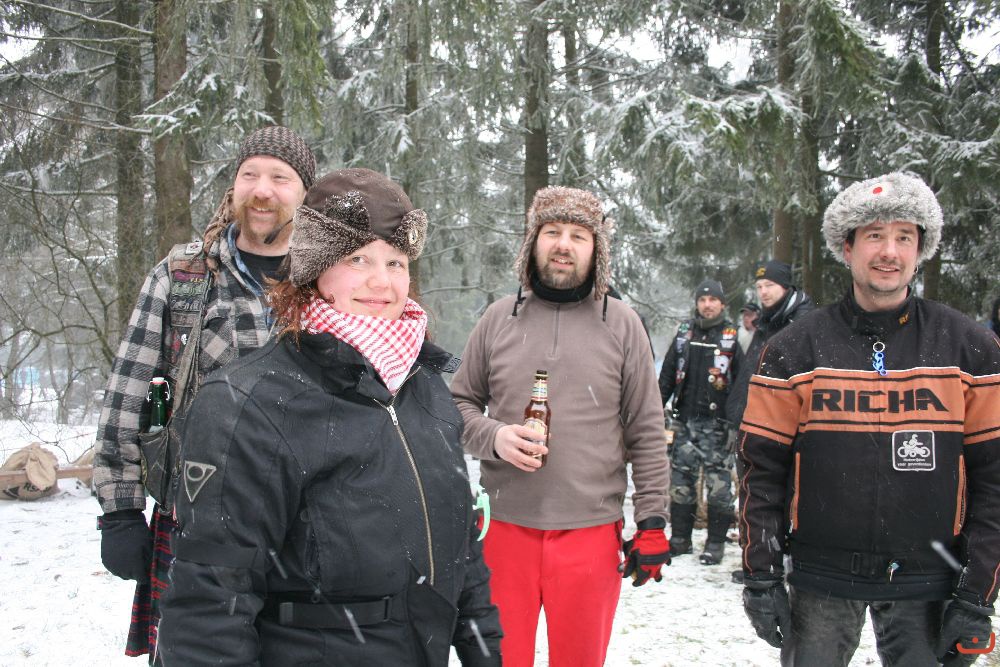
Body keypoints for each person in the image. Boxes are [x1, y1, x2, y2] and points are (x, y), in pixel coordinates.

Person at [157, 168, 502, 665]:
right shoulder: (247, 402)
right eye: (357, 258)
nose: (382, 281)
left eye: (396, 261)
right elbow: (210, 606)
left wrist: (483, 652)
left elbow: (462, 548)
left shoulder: (423, 386)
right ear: (314, 269)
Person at [738, 172, 1000, 666]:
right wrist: (761, 575)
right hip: (821, 580)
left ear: (920, 250)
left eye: (904, 237)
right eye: (875, 235)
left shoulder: (971, 349)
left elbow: (994, 479)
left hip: (931, 581)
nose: (889, 252)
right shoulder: (794, 349)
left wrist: (977, 593)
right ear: (848, 246)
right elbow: (760, 469)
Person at [92, 126, 315, 659]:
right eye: (249, 174)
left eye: (280, 177)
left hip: (310, 523)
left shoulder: (329, 279)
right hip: (198, 521)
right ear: (233, 186)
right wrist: (120, 511)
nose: (262, 190)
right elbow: (127, 392)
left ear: (306, 193)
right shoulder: (183, 277)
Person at [451, 186, 670, 667]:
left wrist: (652, 521)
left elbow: (647, 430)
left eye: (578, 235)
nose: (563, 245)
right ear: (533, 241)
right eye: (552, 231)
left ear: (597, 249)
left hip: (591, 532)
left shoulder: (622, 324)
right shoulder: (498, 318)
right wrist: (495, 437)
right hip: (504, 528)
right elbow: (457, 407)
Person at [659, 279, 739, 565]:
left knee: (719, 489)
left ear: (722, 304)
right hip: (684, 422)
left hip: (717, 426)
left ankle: (715, 544)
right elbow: (668, 373)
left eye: (713, 300)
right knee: (680, 483)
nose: (707, 305)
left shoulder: (732, 337)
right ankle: (680, 540)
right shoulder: (684, 334)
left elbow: (741, 383)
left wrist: (735, 422)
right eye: (702, 300)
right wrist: (655, 407)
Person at [726, 260, 815, 429]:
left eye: (769, 285)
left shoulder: (801, 323)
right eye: (759, 287)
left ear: (785, 286)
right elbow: (749, 372)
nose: (763, 292)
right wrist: (735, 415)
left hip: (780, 427)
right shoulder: (765, 321)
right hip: (751, 423)